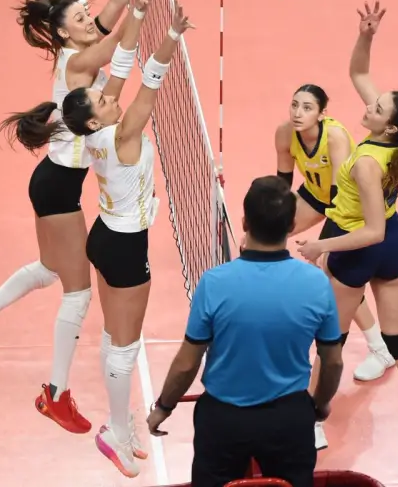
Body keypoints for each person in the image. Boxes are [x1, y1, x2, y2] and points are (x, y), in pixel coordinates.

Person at [0, 0, 162, 436]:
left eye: (87, 15)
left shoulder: (79, 44)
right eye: (80, 19)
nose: (89, 20)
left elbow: (112, 8)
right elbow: (118, 44)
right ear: (64, 33)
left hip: (52, 182)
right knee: (77, 292)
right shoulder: (79, 60)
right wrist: (142, 8)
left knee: (49, 268)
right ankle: (55, 394)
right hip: (60, 188)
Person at [5, 0, 194, 476]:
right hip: (126, 247)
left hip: (104, 237)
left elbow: (122, 73)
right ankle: (115, 431)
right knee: (125, 346)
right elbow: (149, 85)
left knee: (114, 335)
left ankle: (123, 429)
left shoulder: (92, 132)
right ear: (96, 118)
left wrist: (140, 11)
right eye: (105, 99)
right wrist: (171, 36)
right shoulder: (124, 134)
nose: (112, 96)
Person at [296, 1, 398, 475]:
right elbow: (358, 72)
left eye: (377, 108)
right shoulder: (397, 140)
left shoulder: (366, 162)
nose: (369, 106)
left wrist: (321, 246)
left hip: (358, 242)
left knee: (330, 342)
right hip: (393, 246)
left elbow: (370, 230)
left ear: (390, 124)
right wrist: (367, 35)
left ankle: (311, 423)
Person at [146, 176, 344, 487]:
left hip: (224, 421)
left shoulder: (214, 283)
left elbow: (187, 363)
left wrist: (164, 406)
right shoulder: (316, 282)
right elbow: (332, 361)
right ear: (292, 226)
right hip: (289, 419)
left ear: (244, 223)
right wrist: (319, 404)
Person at [273, 84, 396, 386]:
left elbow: (339, 197)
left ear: (321, 114)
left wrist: (323, 246)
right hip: (314, 195)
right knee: (263, 237)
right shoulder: (285, 133)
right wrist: (268, 219)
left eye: (307, 108)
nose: (298, 113)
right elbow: (283, 183)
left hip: (346, 206)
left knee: (335, 277)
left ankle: (380, 349)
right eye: (294, 105)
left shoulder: (335, 137)